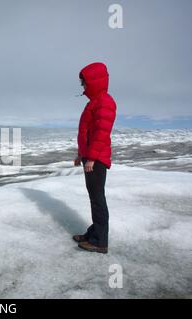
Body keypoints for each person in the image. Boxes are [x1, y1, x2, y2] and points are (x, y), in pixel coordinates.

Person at [73, 62, 117, 254]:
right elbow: (88, 133)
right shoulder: (94, 102)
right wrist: (80, 155)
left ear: (93, 82)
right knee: (94, 197)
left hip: (96, 159)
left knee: (97, 198)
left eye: (84, 83)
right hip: (91, 156)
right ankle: (94, 233)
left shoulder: (104, 102)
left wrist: (90, 158)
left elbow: (101, 134)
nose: (82, 87)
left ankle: (100, 241)